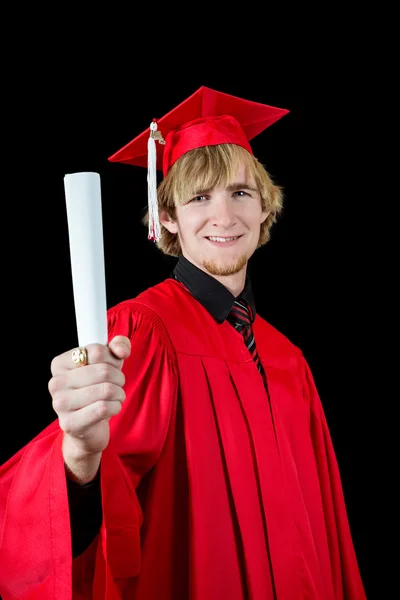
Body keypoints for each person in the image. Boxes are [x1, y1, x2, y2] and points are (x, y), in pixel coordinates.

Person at [0, 86, 366, 600]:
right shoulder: (143, 330)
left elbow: (324, 529)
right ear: (167, 216)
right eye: (199, 197)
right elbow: (95, 494)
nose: (224, 217)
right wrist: (79, 453)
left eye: (240, 193)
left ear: (265, 207)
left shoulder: (289, 359)